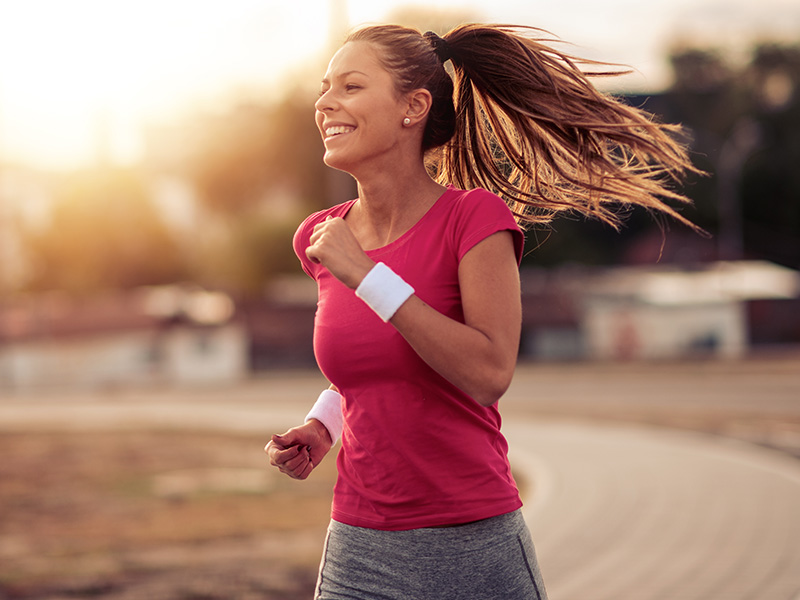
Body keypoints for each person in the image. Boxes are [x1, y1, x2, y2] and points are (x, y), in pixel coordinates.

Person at [266, 23, 699, 600]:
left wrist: (367, 276)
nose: (325, 103)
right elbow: (377, 361)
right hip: (359, 545)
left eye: (350, 86)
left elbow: (488, 373)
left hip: (472, 545)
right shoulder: (320, 239)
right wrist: (325, 424)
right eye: (325, 88)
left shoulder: (474, 220)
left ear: (413, 107)